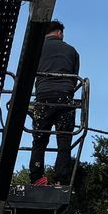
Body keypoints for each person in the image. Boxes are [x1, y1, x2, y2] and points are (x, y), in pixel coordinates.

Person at [28, 21, 80, 187]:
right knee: (64, 140)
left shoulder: (36, 49)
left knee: (40, 139)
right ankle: (61, 179)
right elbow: (74, 75)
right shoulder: (72, 51)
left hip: (44, 97)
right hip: (65, 98)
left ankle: (37, 177)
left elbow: (28, 73)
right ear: (59, 33)